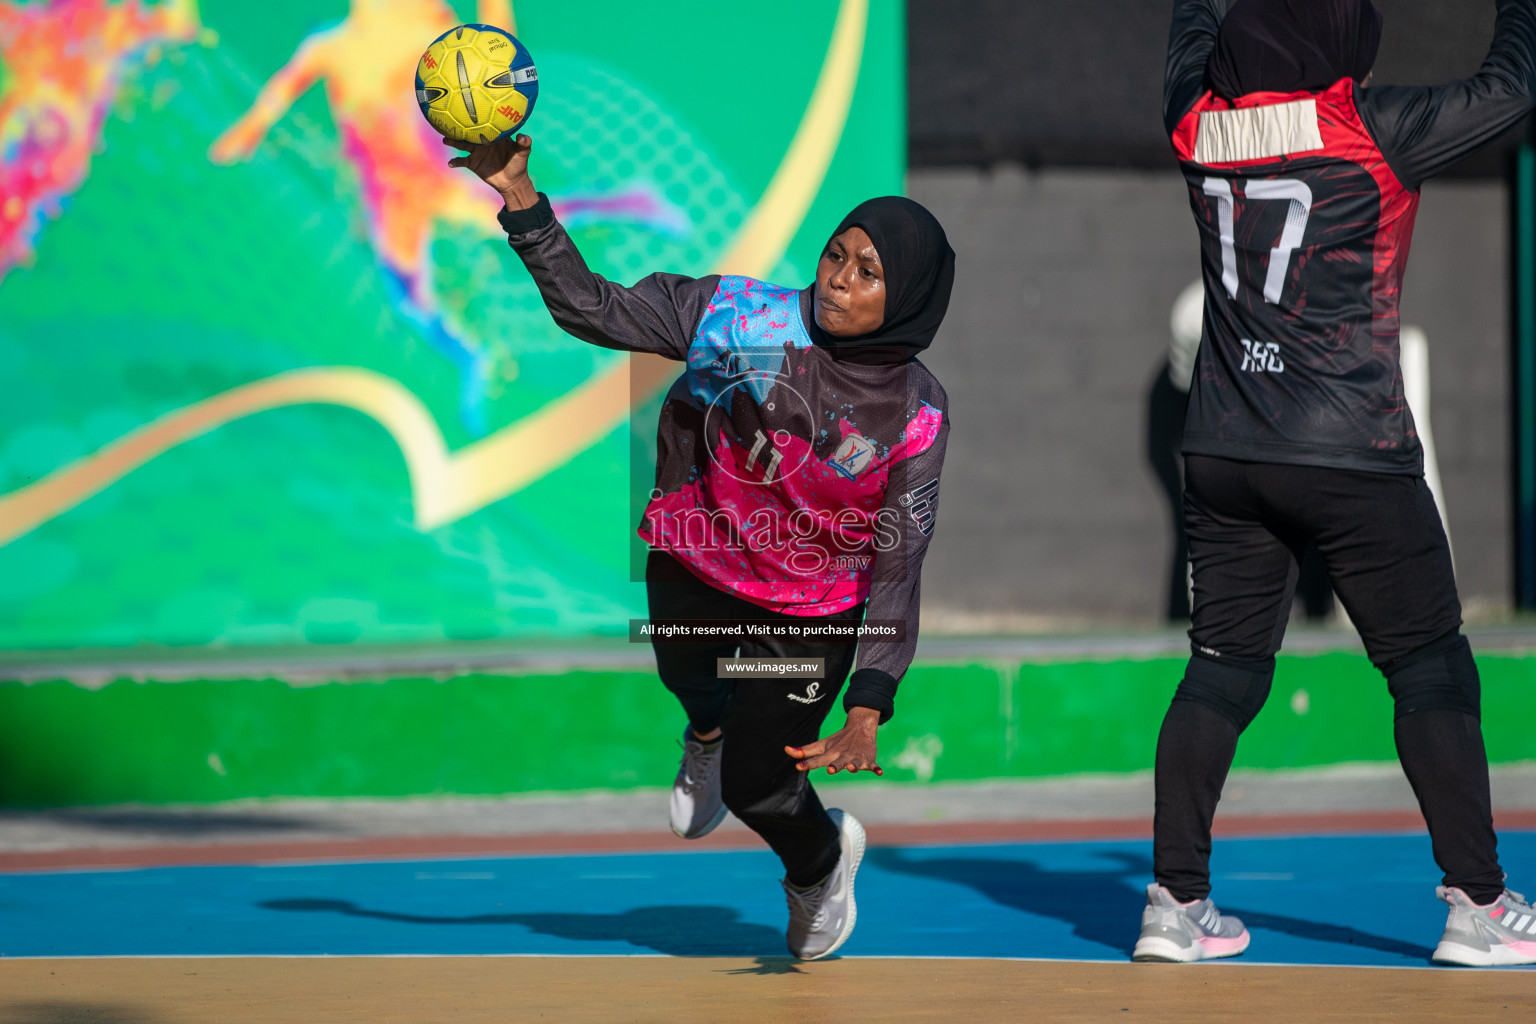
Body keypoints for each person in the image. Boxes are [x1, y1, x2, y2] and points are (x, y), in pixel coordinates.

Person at [447, 132, 954, 961]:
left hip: (805, 617)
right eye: (836, 255)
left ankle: (821, 868)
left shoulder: (916, 414)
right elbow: (594, 309)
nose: (840, 279)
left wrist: (870, 699)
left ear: (910, 299)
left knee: (763, 783)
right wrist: (520, 196)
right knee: (687, 671)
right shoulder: (737, 316)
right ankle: (705, 735)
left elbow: (902, 553)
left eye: (869, 273)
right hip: (696, 554)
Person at [1142, 0, 1536, 966]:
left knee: (1223, 670)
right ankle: (1479, 905)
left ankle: (1173, 901)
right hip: (1351, 447)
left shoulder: (1196, 121)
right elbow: (1513, 88)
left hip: (1226, 450)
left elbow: (1190, 43)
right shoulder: (1372, 124)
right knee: (1430, 669)